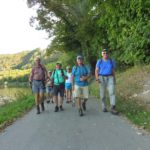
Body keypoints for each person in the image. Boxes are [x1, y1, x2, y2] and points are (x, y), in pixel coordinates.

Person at [95, 49, 118, 115]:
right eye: (104, 53)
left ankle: (112, 107)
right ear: (102, 54)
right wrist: (97, 78)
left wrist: (114, 78)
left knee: (112, 92)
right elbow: (96, 70)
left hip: (110, 77)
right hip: (101, 77)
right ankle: (103, 106)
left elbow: (113, 70)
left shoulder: (111, 61)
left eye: (106, 53)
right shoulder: (99, 61)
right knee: (102, 94)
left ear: (108, 54)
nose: (105, 54)